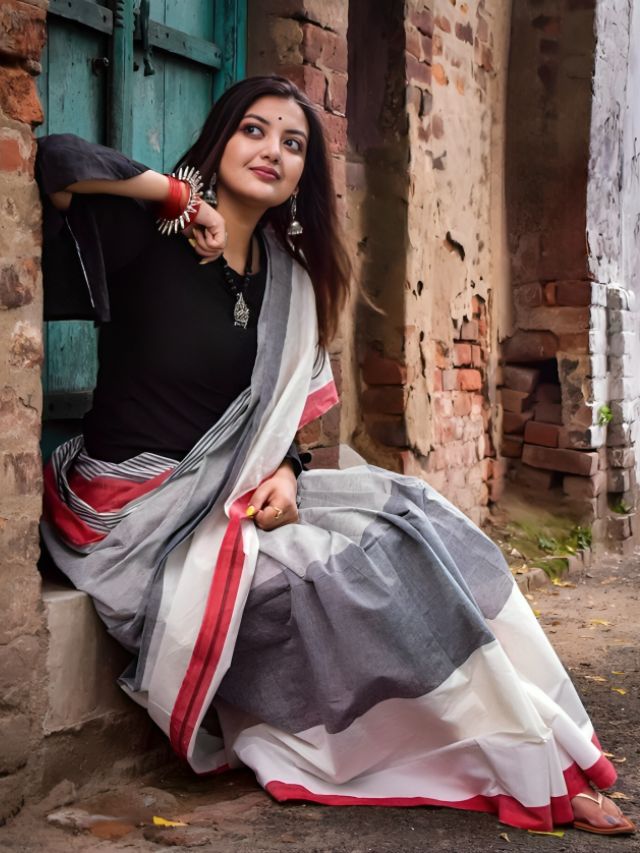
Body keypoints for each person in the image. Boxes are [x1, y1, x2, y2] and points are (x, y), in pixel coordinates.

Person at [37, 76, 634, 837]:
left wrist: (287, 474)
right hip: (138, 517)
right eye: (254, 130)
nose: (272, 152)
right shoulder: (147, 237)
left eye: (293, 145)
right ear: (219, 137)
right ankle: (494, 759)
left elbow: (282, 429)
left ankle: (543, 740)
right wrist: (176, 198)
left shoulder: (291, 279)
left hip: (240, 498)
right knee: (344, 584)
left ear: (303, 176)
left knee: (418, 522)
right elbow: (55, 158)